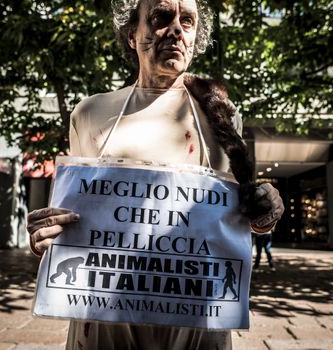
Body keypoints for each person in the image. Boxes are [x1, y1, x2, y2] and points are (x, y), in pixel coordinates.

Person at [27, 0, 285, 349]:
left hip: (194, 325)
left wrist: (265, 212)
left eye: (188, 21)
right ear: (132, 34)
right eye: (162, 17)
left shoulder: (221, 114)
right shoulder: (89, 113)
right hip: (105, 326)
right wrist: (46, 236)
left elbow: (240, 215)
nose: (176, 30)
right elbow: (73, 216)